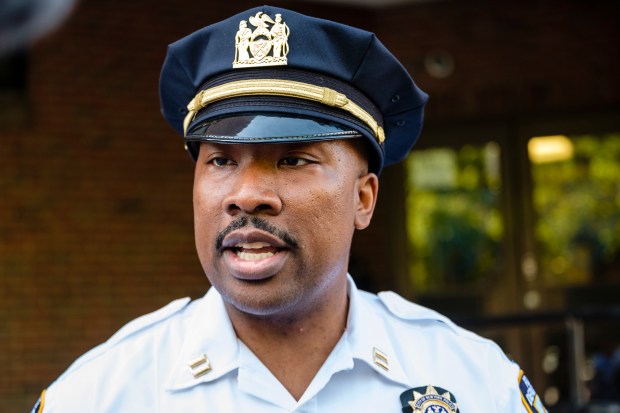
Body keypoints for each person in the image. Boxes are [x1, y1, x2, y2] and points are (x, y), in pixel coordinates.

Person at [32, 5, 547, 412]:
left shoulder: (475, 384)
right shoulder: (101, 396)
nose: (247, 193)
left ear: (363, 199)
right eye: (220, 160)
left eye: (293, 158)